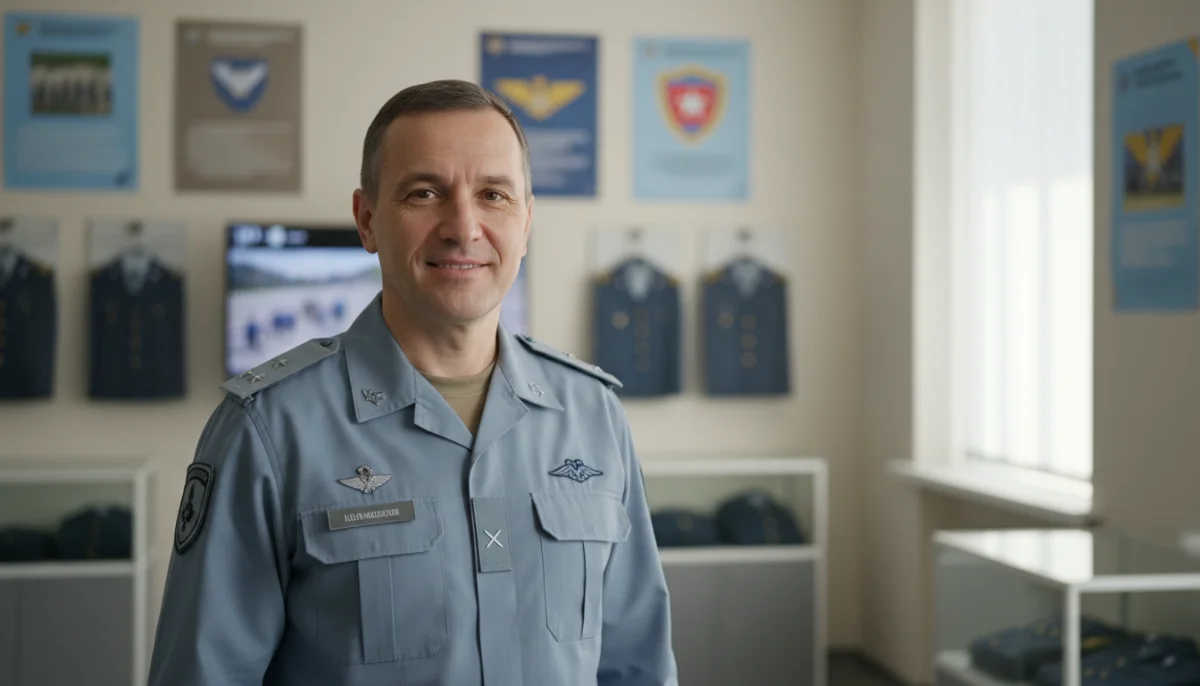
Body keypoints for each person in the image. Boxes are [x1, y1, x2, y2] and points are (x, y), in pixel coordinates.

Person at [146, 79, 678, 686]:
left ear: (526, 223)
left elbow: (638, 666)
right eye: (424, 193)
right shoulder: (268, 431)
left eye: (494, 195)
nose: (463, 226)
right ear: (367, 221)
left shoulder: (593, 414)